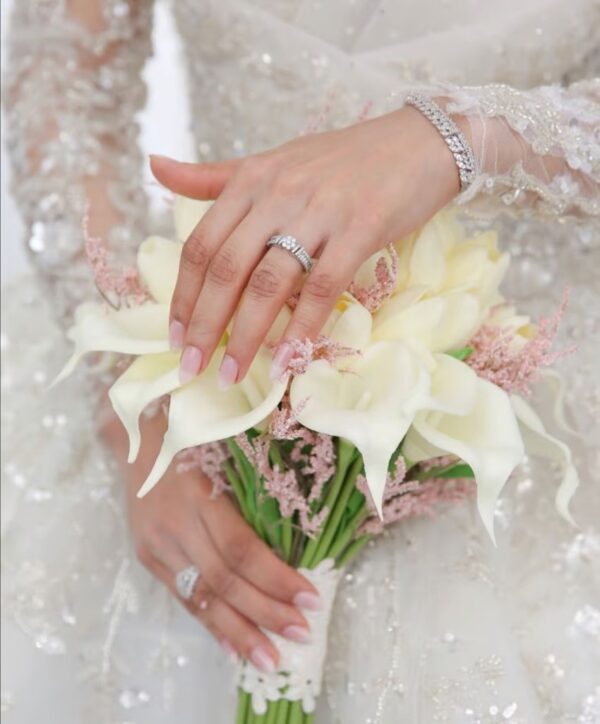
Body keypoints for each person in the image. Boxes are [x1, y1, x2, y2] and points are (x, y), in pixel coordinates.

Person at [2, 1, 599, 722]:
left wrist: (457, 140)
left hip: (525, 401)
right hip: (203, 383)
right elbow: (64, 82)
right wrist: (133, 411)